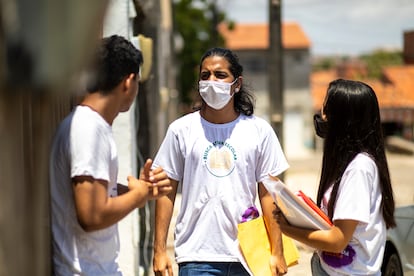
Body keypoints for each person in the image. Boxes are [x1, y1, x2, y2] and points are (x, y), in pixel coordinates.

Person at [152, 47, 289, 276]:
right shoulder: (181, 130)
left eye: (220, 75)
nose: (211, 81)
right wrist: (159, 250)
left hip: (248, 255)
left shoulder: (259, 131)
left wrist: (277, 251)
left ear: (236, 84)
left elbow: (269, 194)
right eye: (205, 76)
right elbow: (166, 191)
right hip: (196, 256)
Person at [49, 35, 172, 275]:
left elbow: (95, 194)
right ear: (129, 81)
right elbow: (91, 215)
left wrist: (142, 190)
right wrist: (140, 195)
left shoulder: (91, 126)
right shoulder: (88, 128)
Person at [274, 79, 396, 275]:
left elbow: (337, 241)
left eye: (327, 110)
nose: (322, 116)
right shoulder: (347, 164)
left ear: (343, 118)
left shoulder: (359, 168)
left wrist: (288, 229)